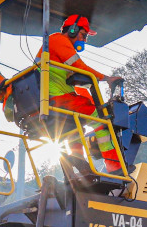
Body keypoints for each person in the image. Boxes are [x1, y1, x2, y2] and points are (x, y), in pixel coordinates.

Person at [36, 15, 124, 172]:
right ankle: (115, 168)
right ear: (72, 29)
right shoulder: (58, 41)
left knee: (75, 129)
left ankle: (83, 168)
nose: (84, 41)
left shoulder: (53, 47)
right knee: (101, 120)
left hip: (54, 99)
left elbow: (76, 79)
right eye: (83, 35)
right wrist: (107, 79)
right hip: (59, 99)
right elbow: (81, 68)